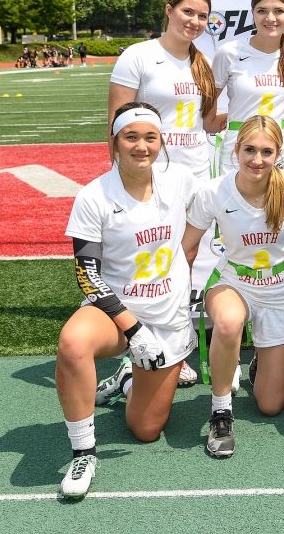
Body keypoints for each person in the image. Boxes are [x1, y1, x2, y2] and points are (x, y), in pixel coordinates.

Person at [56, 102, 200, 499]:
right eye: (131, 137)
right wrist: (132, 328)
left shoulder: (180, 180)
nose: (141, 146)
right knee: (73, 343)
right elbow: (87, 272)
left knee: (146, 430)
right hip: (116, 311)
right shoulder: (94, 195)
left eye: (149, 137)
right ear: (115, 143)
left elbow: (227, 195)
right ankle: (84, 451)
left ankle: (127, 378)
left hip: (167, 316)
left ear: (161, 142)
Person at [108, 0, 221, 389]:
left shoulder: (203, 62)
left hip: (196, 172)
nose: (194, 21)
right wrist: (123, 174)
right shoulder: (138, 56)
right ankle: (133, 349)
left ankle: (177, 347)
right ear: (170, 10)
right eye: (188, 12)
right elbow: (117, 122)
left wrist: (255, 112)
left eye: (202, 16)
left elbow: (208, 122)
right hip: (150, 171)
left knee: (185, 258)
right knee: (149, 256)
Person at [182, 115, 284, 458]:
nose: (257, 159)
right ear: (236, 150)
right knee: (227, 322)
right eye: (249, 150)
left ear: (278, 153)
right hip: (233, 281)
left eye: (266, 151)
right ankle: (221, 412)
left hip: (281, 288)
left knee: (270, 406)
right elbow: (187, 248)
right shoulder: (213, 191)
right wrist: (174, 301)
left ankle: (260, 366)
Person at [211, 0, 284, 172]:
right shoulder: (229, 52)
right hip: (238, 150)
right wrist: (238, 119)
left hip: (281, 149)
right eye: (262, 11)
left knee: (281, 202)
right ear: (252, 14)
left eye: (279, 11)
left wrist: (277, 127)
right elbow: (207, 111)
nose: (270, 18)